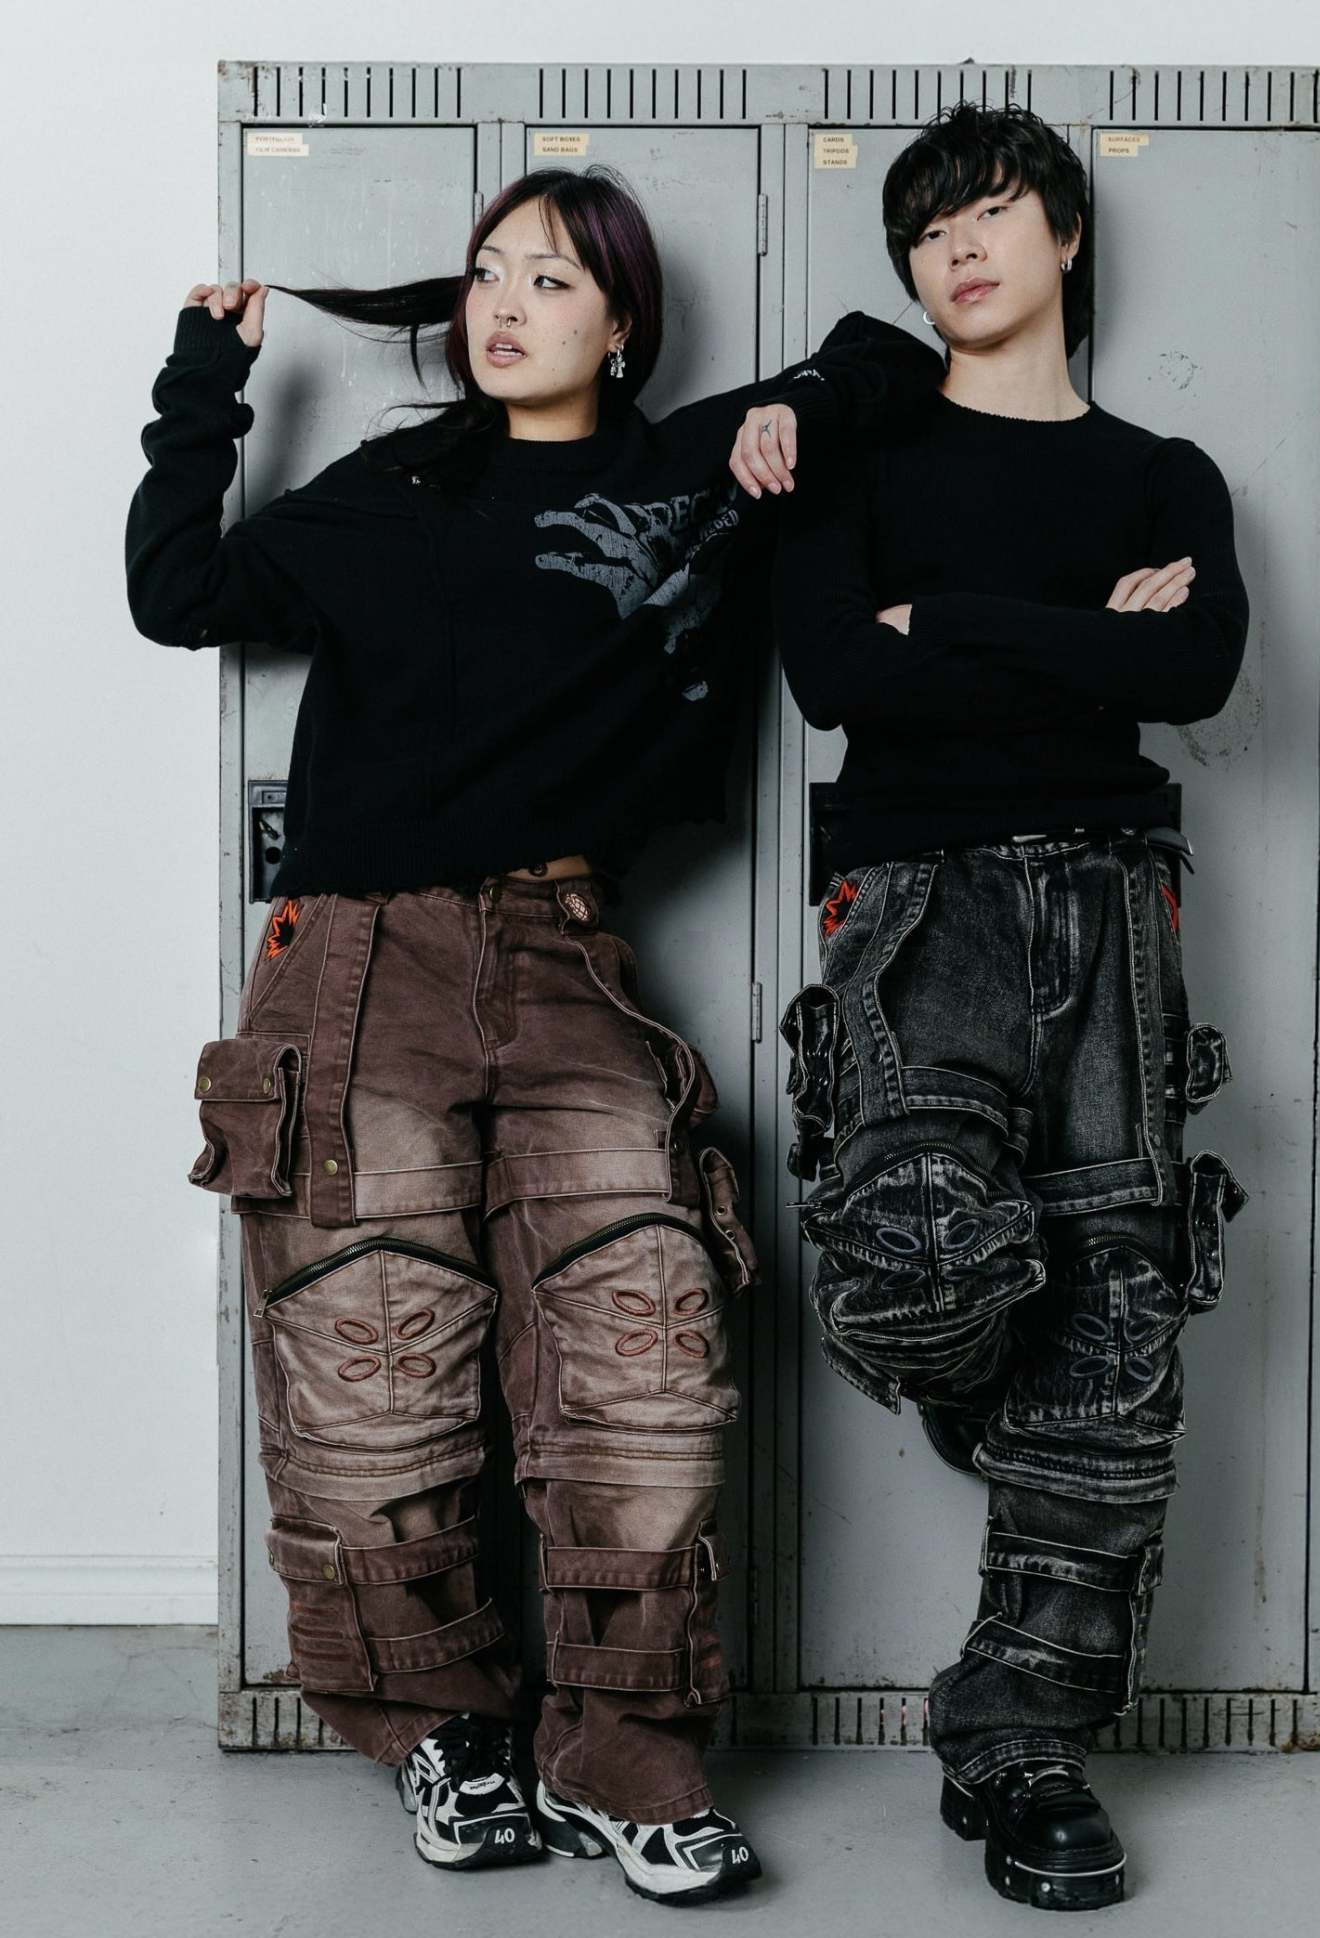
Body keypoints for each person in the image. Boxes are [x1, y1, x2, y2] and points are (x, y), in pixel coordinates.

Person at [125, 164, 938, 1906]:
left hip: (572, 957)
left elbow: (890, 356)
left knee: (649, 1357)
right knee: (373, 1370)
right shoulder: (396, 485)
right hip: (358, 963)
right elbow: (179, 588)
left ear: (623, 322)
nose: (504, 304)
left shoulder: (687, 472)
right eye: (488, 271)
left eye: (554, 278)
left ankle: (620, 1748)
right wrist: (205, 383)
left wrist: (797, 404)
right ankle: (441, 1728)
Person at [773, 104, 1250, 1913]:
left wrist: (948, 624)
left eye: (987, 212)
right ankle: (987, 1388)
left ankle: (1020, 1736)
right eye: (925, 230)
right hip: (918, 902)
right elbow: (833, 673)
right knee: (920, 1258)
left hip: (1115, 902)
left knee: (1117, 1333)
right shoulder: (854, 453)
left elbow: (1197, 662)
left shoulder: (1164, 471)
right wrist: (1074, 635)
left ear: (1062, 234)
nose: (955, 248)